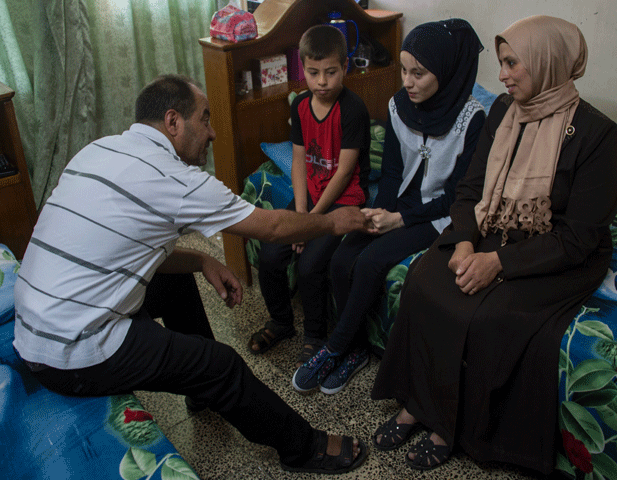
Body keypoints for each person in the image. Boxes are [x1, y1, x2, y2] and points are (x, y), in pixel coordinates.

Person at [12, 74, 370, 474]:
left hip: (38, 319)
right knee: (221, 365)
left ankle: (201, 393)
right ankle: (305, 449)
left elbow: (128, 246)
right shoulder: (174, 180)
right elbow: (272, 228)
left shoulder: (100, 149)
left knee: (175, 278)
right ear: (172, 122)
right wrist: (334, 222)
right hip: (72, 349)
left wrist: (201, 260)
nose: (213, 132)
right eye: (205, 119)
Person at [370, 15, 617, 474]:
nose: (501, 75)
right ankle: (418, 403)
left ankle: (450, 425)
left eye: (511, 63)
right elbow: (471, 189)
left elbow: (578, 237)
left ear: (546, 63)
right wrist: (464, 242)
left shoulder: (595, 133)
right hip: (491, 226)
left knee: (489, 313)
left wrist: (498, 263)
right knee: (426, 279)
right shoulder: (505, 111)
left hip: (555, 250)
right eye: (502, 63)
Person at [291, 19, 486, 395]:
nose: (408, 82)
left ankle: (336, 348)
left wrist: (401, 219)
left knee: (368, 262)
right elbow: (392, 173)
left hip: (441, 214)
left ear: (444, 72)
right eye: (403, 70)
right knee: (341, 258)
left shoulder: (473, 119)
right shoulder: (399, 106)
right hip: (401, 203)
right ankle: (358, 350)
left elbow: (462, 196)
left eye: (419, 73)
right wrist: (378, 214)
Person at [248, 24, 371, 369]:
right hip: (310, 200)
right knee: (271, 252)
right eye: (313, 73)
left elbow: (345, 171)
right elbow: (299, 159)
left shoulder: (353, 110)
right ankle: (281, 322)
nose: (322, 81)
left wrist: (312, 221)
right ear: (302, 69)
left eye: (331, 73)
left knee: (311, 263)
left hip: (342, 199)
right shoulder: (301, 105)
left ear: (344, 67)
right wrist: (300, 213)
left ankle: (315, 335)